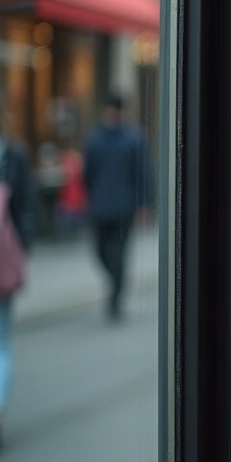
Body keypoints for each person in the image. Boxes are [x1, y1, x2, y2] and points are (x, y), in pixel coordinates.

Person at [0, 95, 36, 451]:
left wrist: (21, 250)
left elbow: (27, 206)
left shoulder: (13, 156)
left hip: (0, 264)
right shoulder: (11, 155)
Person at [84, 93, 152, 321]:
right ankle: (117, 282)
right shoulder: (95, 138)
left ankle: (115, 298)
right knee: (100, 251)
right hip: (100, 206)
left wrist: (145, 203)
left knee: (119, 253)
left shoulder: (133, 139)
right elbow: (88, 173)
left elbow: (143, 172)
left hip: (125, 206)